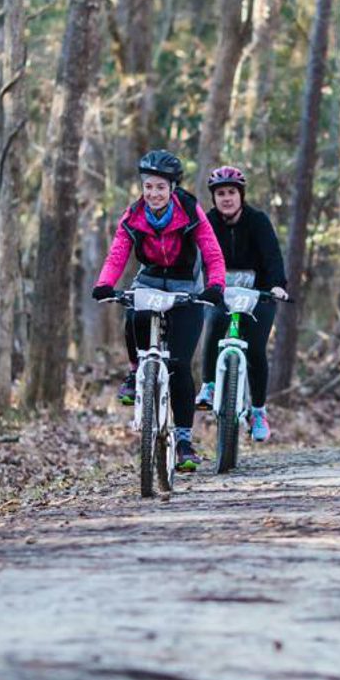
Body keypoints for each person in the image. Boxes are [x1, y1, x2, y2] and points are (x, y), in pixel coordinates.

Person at [92, 149, 226, 472]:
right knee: (133, 310)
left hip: (185, 286)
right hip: (150, 278)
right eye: (148, 186)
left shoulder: (190, 210)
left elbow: (211, 252)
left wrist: (215, 285)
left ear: (172, 188)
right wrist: (104, 283)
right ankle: (136, 368)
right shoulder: (133, 215)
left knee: (179, 365)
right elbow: (117, 254)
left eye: (160, 188)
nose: (153, 193)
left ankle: (182, 441)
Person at [194, 165, 289, 442]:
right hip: (220, 292)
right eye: (221, 193)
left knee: (256, 348)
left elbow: (272, 256)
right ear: (214, 198)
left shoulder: (258, 220)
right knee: (214, 322)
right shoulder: (207, 223)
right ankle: (209, 386)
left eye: (231, 192)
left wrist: (277, 286)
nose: (226, 198)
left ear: (241, 195)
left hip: (258, 293)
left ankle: (258, 410)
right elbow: (194, 257)